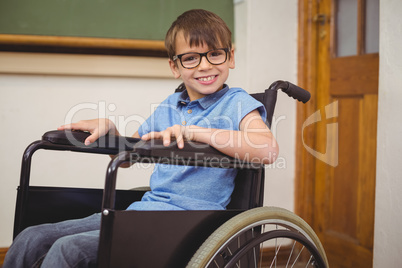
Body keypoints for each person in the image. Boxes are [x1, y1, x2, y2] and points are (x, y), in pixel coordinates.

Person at [3, 9, 278, 267]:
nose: (204, 66)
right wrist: (111, 132)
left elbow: (267, 150)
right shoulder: (170, 106)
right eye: (191, 58)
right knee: (32, 237)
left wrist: (193, 132)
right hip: (145, 212)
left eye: (214, 54)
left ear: (230, 56)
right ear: (175, 66)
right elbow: (125, 159)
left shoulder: (237, 103)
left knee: (69, 249)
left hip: (191, 223)